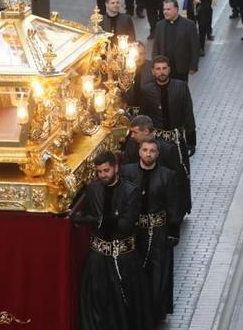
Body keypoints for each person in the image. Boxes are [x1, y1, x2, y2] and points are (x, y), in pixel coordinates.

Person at [75, 151, 152, 330]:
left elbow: (126, 225)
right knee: (98, 301)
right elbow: (86, 214)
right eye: (99, 172)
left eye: (106, 170)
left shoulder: (131, 191)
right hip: (98, 259)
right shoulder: (93, 189)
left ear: (116, 167)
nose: (103, 175)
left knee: (126, 302)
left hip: (123, 258)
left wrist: (96, 220)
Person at [120, 138, 181, 323]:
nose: (148, 154)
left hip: (157, 232)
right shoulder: (127, 172)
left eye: (152, 151)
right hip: (135, 232)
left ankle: (154, 313)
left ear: (157, 154)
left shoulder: (167, 176)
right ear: (139, 152)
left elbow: (173, 205)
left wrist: (173, 232)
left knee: (157, 273)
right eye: (145, 150)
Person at [139, 56, 196, 214]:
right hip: (156, 142)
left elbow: (188, 113)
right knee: (158, 175)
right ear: (153, 71)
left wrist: (192, 141)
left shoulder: (181, 87)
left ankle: (181, 208)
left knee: (180, 174)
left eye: (164, 68)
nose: (161, 72)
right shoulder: (147, 90)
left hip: (176, 141)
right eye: (158, 69)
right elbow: (144, 116)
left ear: (169, 70)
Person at [152, 0, 199, 81]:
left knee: (180, 91)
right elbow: (156, 46)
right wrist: (154, 65)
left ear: (176, 9)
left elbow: (194, 47)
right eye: (164, 9)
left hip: (181, 68)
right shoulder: (160, 25)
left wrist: (193, 66)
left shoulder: (189, 25)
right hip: (164, 69)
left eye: (168, 9)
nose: (165, 12)